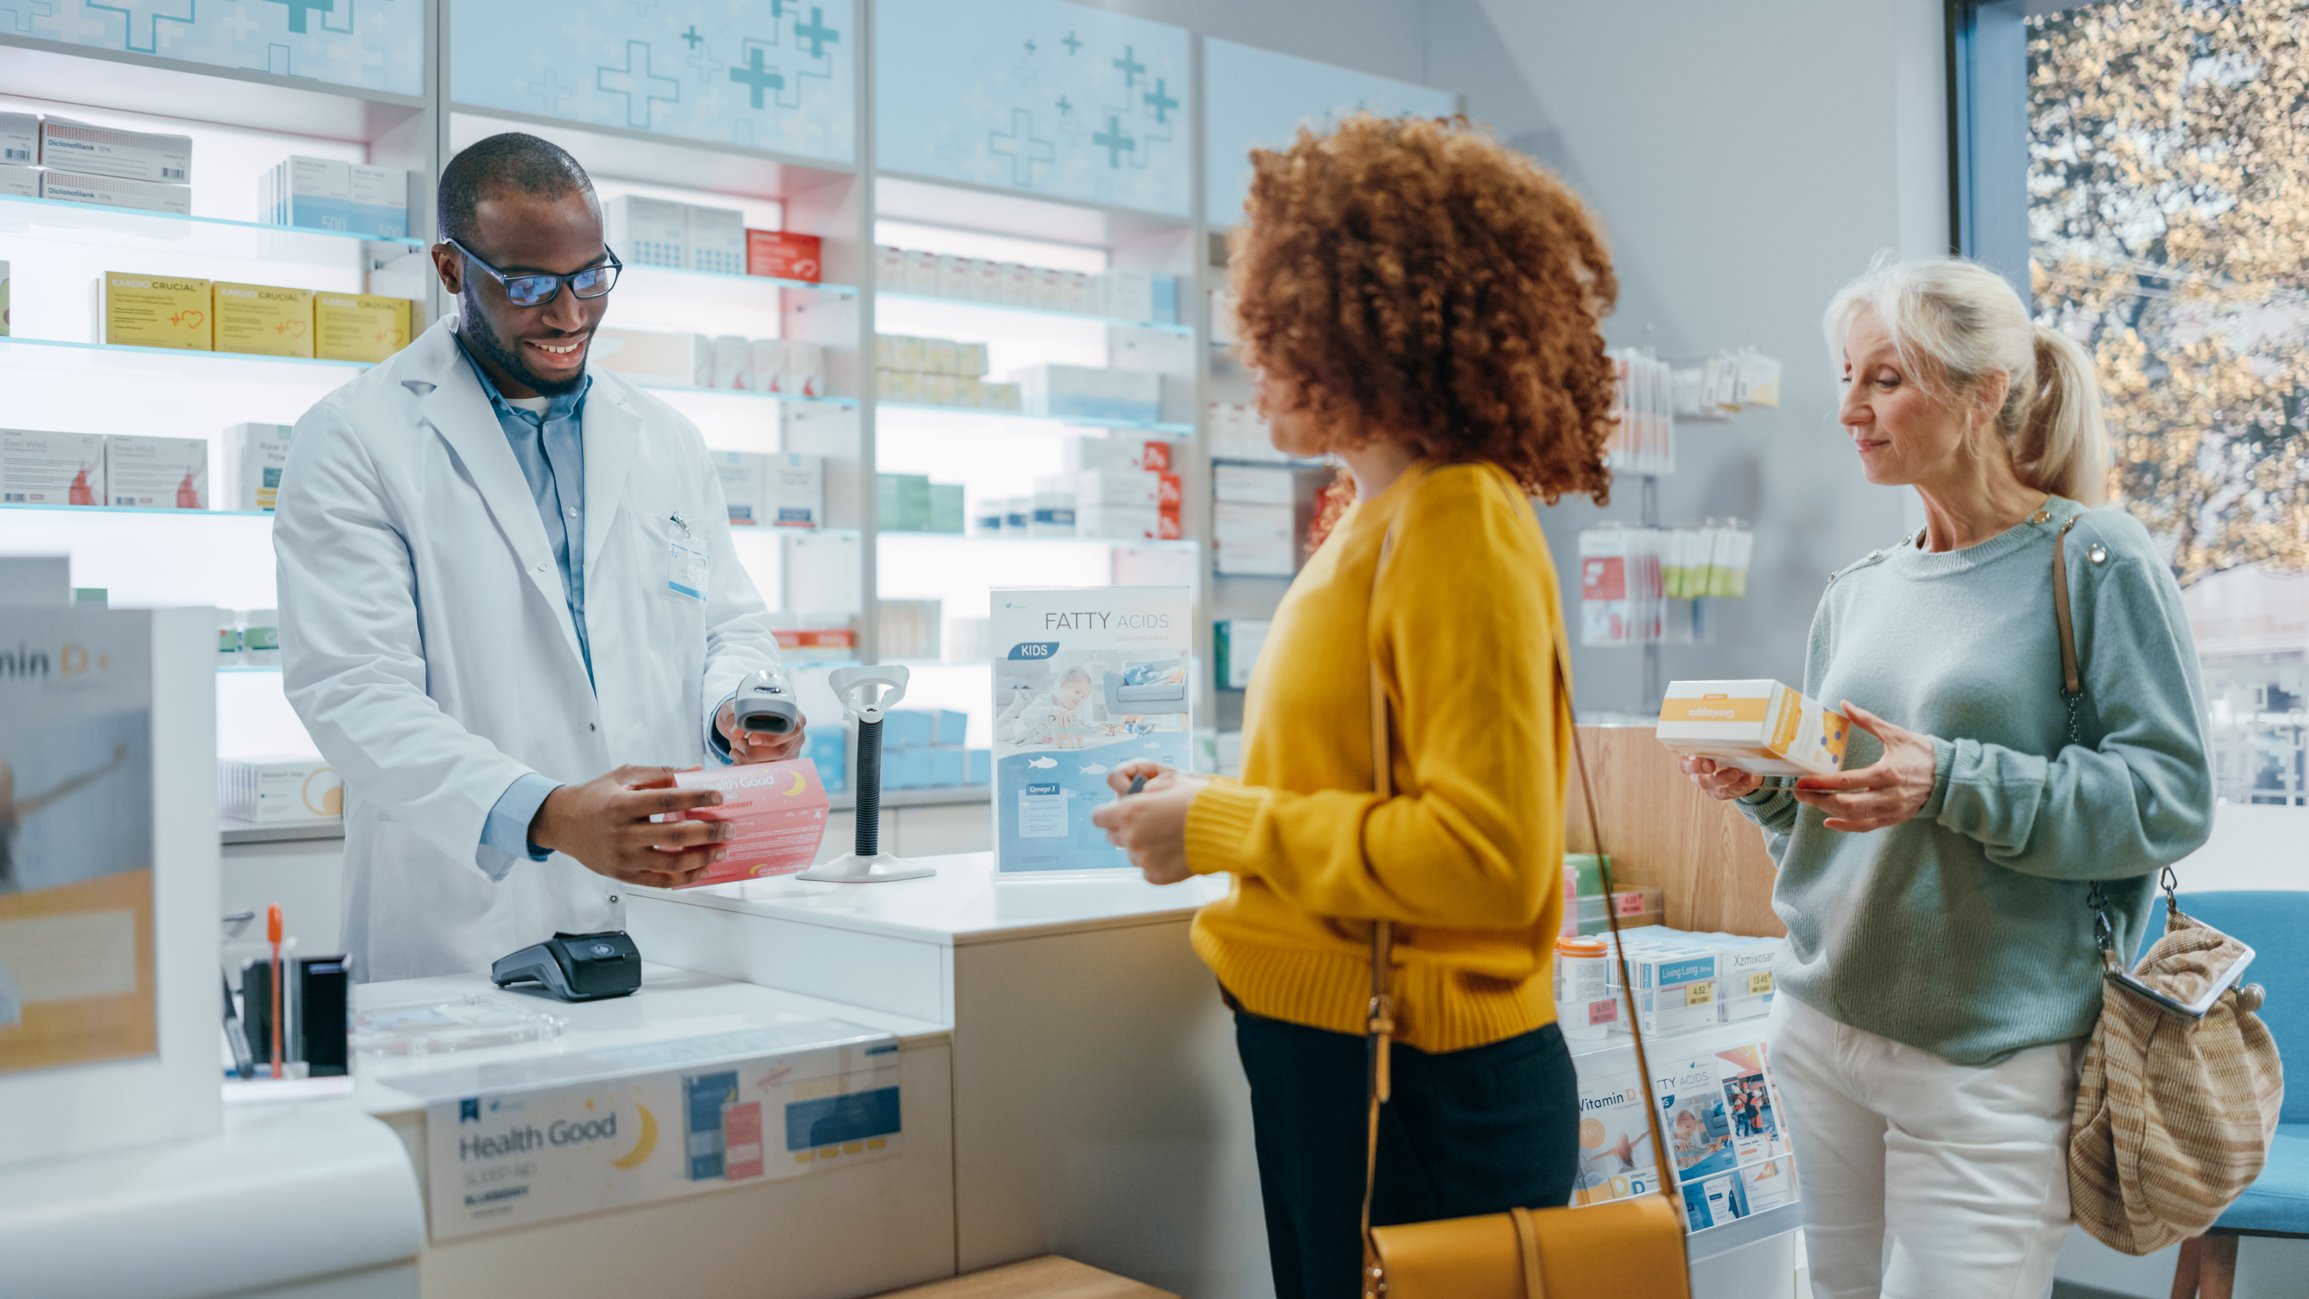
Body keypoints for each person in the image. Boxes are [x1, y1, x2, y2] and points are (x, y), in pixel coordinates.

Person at [1090, 114, 1617, 1299]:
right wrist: (1207, 804)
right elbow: (1358, 784)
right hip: (1345, 1062)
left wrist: (1218, 827)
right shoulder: (1371, 519)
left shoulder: (1454, 518)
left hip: (1416, 1084)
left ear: (1372, 330)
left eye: (1280, 325)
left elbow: (1483, 854)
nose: (1254, 354)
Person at [1683, 257, 2214, 1299]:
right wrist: (1763, 790)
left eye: (1883, 379)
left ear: (1983, 392)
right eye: (1845, 376)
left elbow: (2165, 798)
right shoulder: (1858, 592)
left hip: (1986, 1055)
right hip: (1818, 1028)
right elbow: (1830, 829)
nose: (1846, 408)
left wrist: (1949, 778)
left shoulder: (2093, 560)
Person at [276, 134, 804, 983]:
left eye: (590, 276)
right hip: (467, 930)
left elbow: (727, 626)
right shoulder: (355, 440)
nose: (568, 316)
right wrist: (552, 815)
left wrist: (738, 706)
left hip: (668, 917)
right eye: (526, 285)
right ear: (451, 270)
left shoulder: (664, 438)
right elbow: (353, 693)